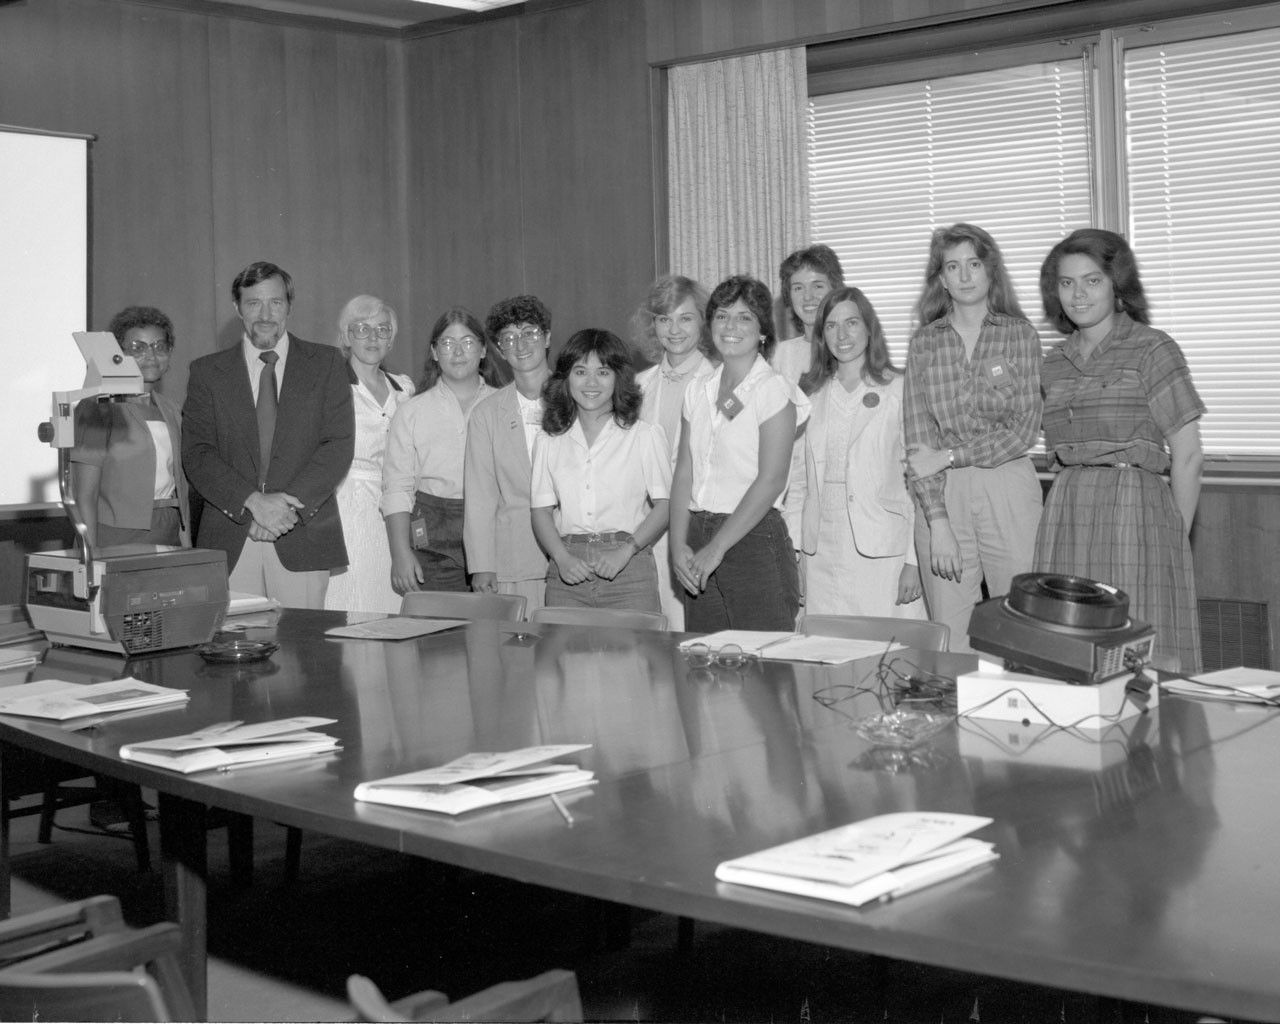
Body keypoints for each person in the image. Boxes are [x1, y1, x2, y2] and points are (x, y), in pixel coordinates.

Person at [1036, 228, 1205, 673]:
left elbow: (1187, 456)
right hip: (1068, 512)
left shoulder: (1153, 348)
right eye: (1066, 282)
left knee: (1138, 651)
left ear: (1116, 285)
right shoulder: (1052, 364)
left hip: (1134, 510)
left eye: (1092, 280)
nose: (1078, 294)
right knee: (1068, 648)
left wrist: (1174, 538)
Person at [903, 223, 1043, 652]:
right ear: (941, 278)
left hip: (1008, 485)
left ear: (990, 271)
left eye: (974, 264)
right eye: (952, 266)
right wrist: (938, 522)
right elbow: (917, 443)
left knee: (1021, 628)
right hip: (943, 498)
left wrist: (949, 455)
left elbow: (1022, 430)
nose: (964, 276)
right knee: (950, 635)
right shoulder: (925, 343)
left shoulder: (1019, 334)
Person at [183, 260, 354, 608]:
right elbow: (197, 454)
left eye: (275, 302)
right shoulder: (206, 372)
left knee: (302, 652)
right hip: (231, 534)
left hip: (301, 532)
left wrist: (283, 508)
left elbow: (337, 445)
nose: (265, 314)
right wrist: (253, 503)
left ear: (289, 305)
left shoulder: (326, 363)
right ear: (237, 308)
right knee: (234, 650)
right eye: (253, 303)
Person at [669, 275, 809, 631]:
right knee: (706, 667)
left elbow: (772, 478)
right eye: (721, 315)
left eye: (744, 317)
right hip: (697, 534)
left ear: (763, 330)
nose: (730, 326)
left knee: (766, 670)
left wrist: (716, 548)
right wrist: (677, 544)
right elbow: (684, 471)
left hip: (752, 538)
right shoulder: (698, 389)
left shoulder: (773, 389)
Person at [799, 286, 925, 618]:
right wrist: (798, 552)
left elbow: (919, 482)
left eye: (851, 323)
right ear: (821, 336)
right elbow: (798, 482)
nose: (842, 334)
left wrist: (914, 560)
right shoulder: (808, 395)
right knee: (827, 650)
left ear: (869, 328)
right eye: (831, 325)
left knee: (883, 653)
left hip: (883, 549)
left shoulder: (899, 389)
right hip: (821, 548)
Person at [531, 329, 671, 613]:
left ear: (619, 378)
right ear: (566, 378)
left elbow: (666, 506)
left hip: (628, 569)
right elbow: (540, 511)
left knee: (633, 656)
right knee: (565, 656)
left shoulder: (644, 435)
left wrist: (626, 550)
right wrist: (561, 557)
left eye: (603, 372)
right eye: (580, 371)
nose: (591, 382)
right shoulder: (549, 439)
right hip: (567, 570)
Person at [382, 307, 503, 596]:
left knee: (494, 633)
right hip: (433, 539)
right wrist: (400, 554)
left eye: (468, 342)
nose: (458, 352)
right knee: (439, 635)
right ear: (435, 352)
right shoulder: (411, 412)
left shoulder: (504, 405)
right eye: (448, 343)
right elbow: (396, 488)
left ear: (484, 350)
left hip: (496, 534)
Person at [633, 274, 717, 628]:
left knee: (693, 635)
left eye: (685, 318)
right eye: (664, 319)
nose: (674, 329)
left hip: (695, 528)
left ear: (703, 320)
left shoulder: (721, 383)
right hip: (642, 527)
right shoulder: (637, 385)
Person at [324, 295, 414, 614]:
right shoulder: (331, 386)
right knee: (354, 601)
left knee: (394, 603)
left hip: (395, 509)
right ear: (346, 337)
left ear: (392, 339)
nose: (373, 337)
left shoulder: (404, 389)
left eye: (382, 329)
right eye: (361, 328)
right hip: (347, 510)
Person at [463, 295, 553, 614]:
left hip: (576, 555)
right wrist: (481, 564)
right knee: (520, 658)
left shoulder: (579, 397)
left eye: (529, 333)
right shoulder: (486, 414)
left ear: (547, 338)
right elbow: (480, 496)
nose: (521, 344)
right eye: (509, 338)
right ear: (499, 350)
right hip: (515, 558)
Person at [70, 306, 189, 548]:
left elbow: (180, 493)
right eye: (138, 347)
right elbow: (85, 496)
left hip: (168, 534)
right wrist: (89, 561)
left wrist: (186, 547)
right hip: (113, 539)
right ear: (118, 354)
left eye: (159, 346)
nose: (151, 355)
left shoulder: (173, 410)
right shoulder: (96, 408)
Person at [772, 244, 845, 388]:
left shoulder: (848, 346)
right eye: (798, 288)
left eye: (817, 286)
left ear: (835, 290)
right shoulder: (783, 353)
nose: (807, 296)